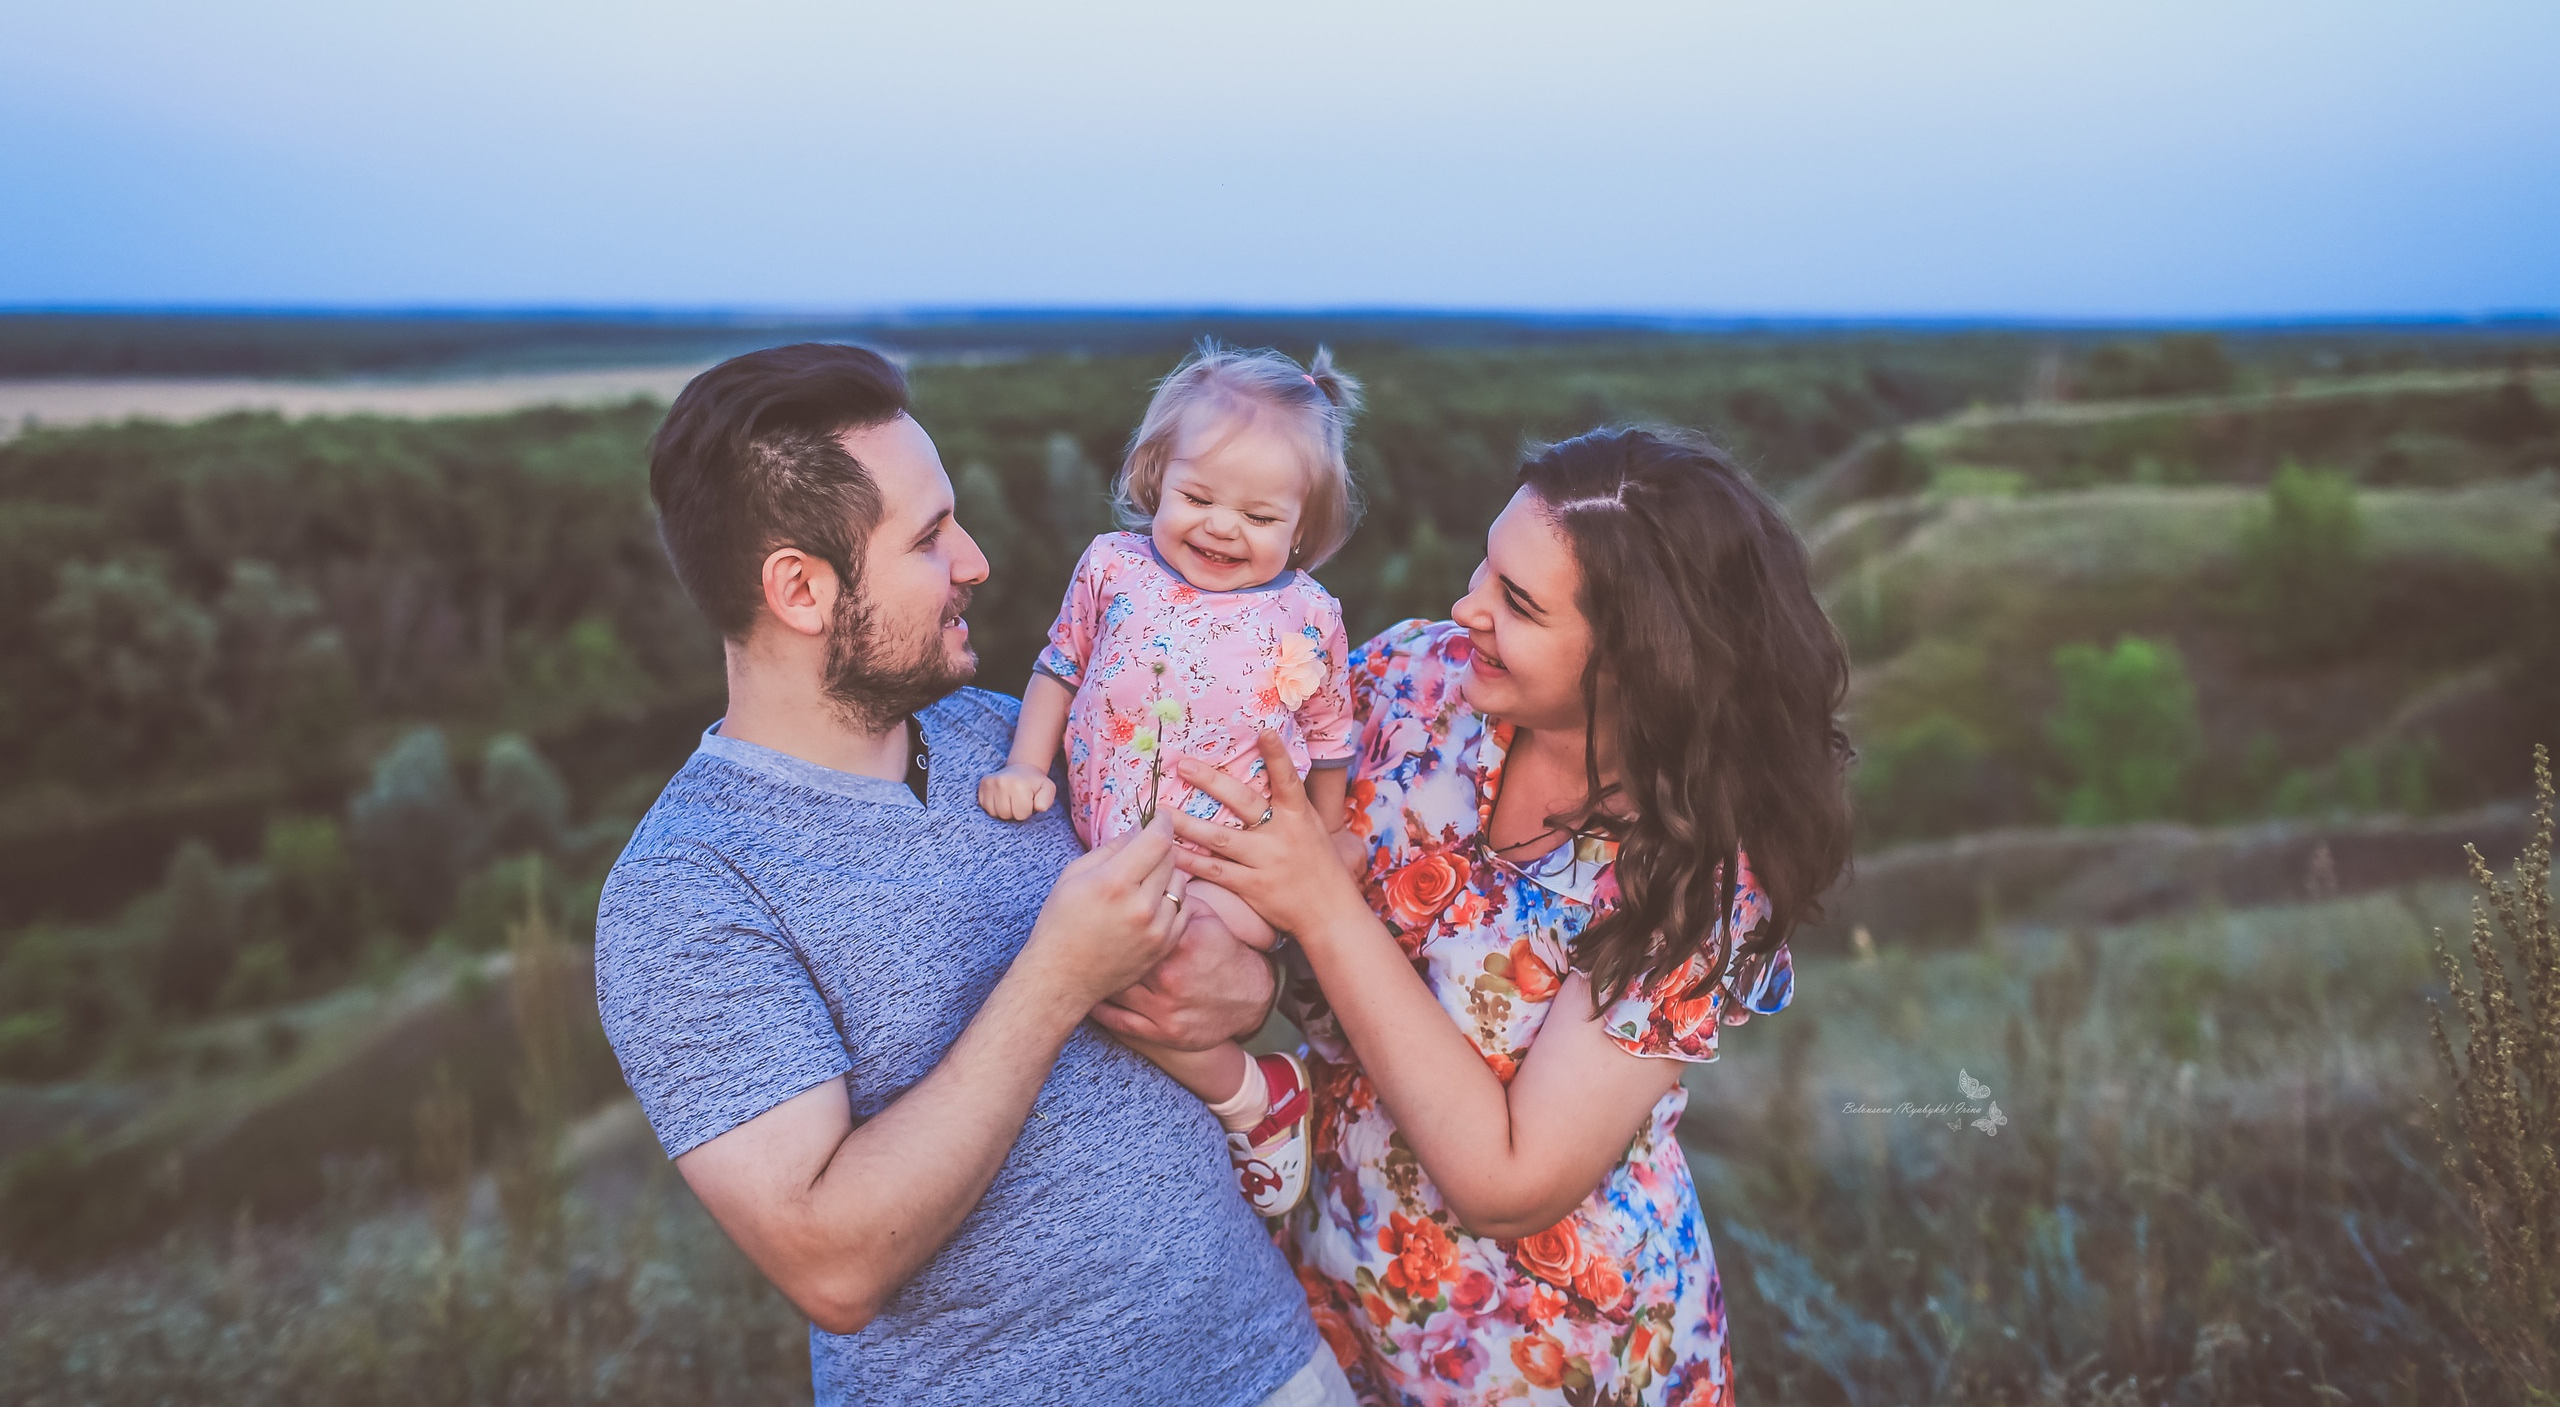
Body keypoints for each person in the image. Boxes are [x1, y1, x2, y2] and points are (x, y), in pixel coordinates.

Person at [592, 343, 1359, 1407]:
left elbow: (1233, 948)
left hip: (1270, 1366)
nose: (976, 560)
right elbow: (833, 1263)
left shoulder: (1021, 744)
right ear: (800, 589)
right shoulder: (689, 891)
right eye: (929, 536)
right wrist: (1056, 978)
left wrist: (1251, 986)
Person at [1169, 426, 1854, 1405]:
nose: (1465, 609)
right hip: (1325, 1288)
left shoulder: (1694, 877)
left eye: (1517, 604)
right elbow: (1245, 844)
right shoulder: (1414, 684)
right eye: (1484, 569)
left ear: (1639, 661)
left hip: (1548, 1350)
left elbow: (1511, 1182)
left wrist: (1322, 910)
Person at [979, 340, 1363, 1216]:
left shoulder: (1306, 614)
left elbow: (1330, 739)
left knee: (1154, 964)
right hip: (1120, 843)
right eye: (1197, 498)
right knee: (1103, 957)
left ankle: (1250, 1099)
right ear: (1156, 478)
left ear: (1302, 529)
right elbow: (1058, 668)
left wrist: (1327, 842)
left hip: (1232, 863)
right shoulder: (1114, 568)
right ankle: (1229, 1102)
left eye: (1261, 518)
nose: (1222, 528)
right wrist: (1022, 766)